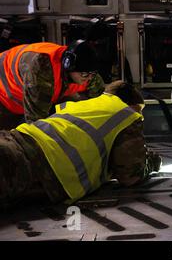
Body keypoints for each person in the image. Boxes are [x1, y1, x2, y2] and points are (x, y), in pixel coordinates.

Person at [0, 80, 161, 210]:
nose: (140, 116)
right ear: (131, 105)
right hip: (34, 166)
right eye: (140, 110)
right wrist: (151, 163)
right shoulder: (127, 114)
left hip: (14, 139)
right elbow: (130, 175)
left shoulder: (80, 105)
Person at [0, 40, 105, 130]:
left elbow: (100, 102)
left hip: (23, 99)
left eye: (92, 74)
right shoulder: (42, 67)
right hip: (3, 96)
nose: (89, 78)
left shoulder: (88, 74)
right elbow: (36, 124)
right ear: (68, 65)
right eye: (85, 74)